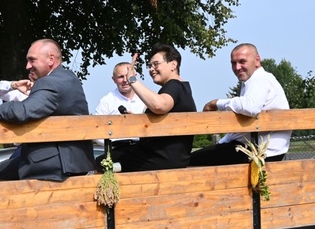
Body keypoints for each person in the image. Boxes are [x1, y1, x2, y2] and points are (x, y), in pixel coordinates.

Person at [0, 39, 95, 181]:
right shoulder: (69, 78)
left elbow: (22, 111)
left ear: (51, 59)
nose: (28, 66)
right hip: (75, 161)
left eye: (32, 60)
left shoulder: (49, 82)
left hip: (55, 165)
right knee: (2, 170)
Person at [99, 43, 196, 172]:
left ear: (173, 64)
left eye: (156, 64)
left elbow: (159, 105)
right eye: (150, 66)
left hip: (160, 157)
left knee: (100, 162)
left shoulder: (174, 85)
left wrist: (132, 79)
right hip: (169, 157)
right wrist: (138, 120)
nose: (151, 69)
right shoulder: (180, 87)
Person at [189, 43, 290, 166]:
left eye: (242, 61)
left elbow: (250, 107)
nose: (237, 67)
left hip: (259, 152)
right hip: (255, 149)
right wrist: (221, 143)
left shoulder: (260, 80)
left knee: (188, 163)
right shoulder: (254, 81)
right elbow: (241, 127)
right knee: (197, 159)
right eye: (233, 63)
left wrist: (216, 103)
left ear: (257, 60)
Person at [93, 61, 146, 146]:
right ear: (114, 79)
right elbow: (95, 131)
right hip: (116, 150)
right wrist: (114, 144)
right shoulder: (107, 101)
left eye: (128, 76)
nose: (125, 80)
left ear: (134, 77)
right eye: (121, 77)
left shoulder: (145, 99)